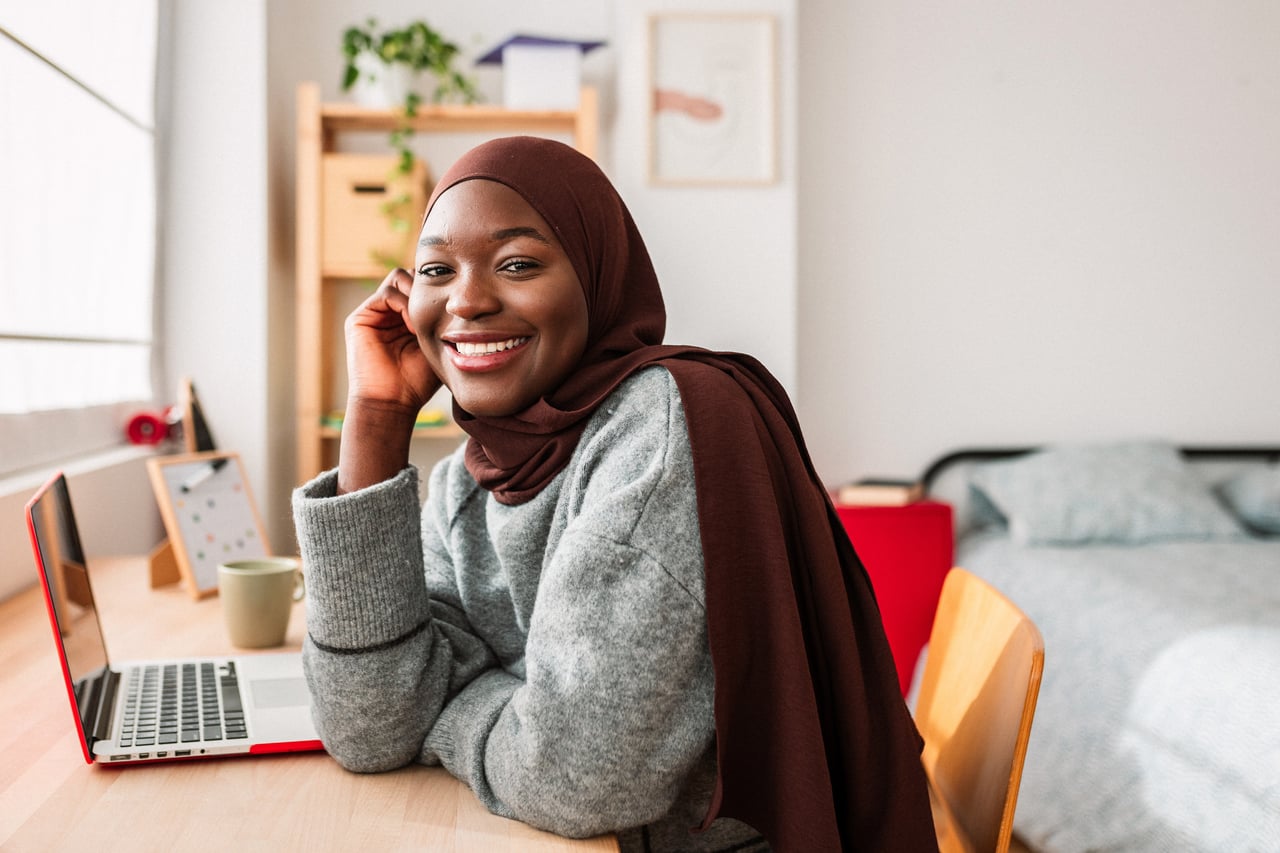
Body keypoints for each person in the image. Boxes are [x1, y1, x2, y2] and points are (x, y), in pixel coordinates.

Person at [293, 136, 937, 852]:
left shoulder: (657, 436)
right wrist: (377, 421)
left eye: (517, 263)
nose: (466, 299)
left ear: (597, 276)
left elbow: (577, 779)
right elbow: (370, 726)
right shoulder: (470, 476)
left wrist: (442, 703)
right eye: (436, 269)